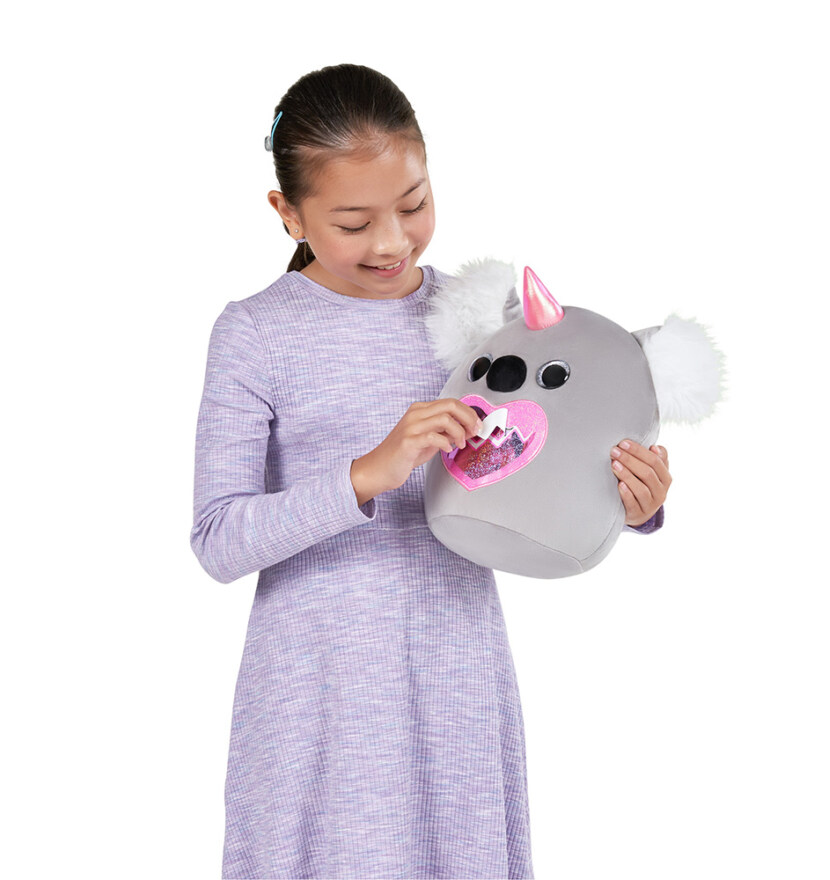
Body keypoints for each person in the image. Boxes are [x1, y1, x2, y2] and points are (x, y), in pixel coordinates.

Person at [190, 63, 671, 880]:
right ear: (287, 212)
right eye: (353, 222)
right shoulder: (255, 334)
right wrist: (366, 474)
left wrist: (631, 501)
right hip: (315, 692)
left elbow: (553, 466)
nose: (392, 241)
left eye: (413, 205)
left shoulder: (484, 324)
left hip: (455, 671)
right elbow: (218, 541)